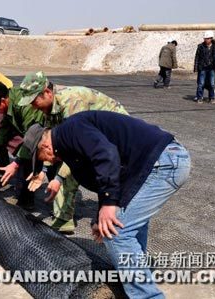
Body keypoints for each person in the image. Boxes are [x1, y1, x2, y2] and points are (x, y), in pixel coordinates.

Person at [23, 112, 190, 298]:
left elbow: (107, 155)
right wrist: (100, 216)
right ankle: (132, 274)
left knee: (117, 233)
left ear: (46, 145)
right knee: (120, 225)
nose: (48, 161)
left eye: (42, 156)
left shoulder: (71, 131)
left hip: (164, 162)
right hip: (159, 162)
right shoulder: (69, 144)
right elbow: (105, 176)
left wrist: (110, 203)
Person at [0, 71, 129, 233]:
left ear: (47, 92)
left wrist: (58, 178)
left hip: (115, 136)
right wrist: (44, 171)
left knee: (81, 170)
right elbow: (49, 142)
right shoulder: (48, 108)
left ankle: (113, 214)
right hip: (93, 138)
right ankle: (63, 219)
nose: (33, 106)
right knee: (66, 169)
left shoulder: (71, 102)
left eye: (33, 101)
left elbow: (75, 149)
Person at [0, 81, 45, 207]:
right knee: (24, 160)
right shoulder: (10, 102)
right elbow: (4, 127)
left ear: (3, 101)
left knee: (34, 163)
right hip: (34, 134)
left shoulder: (24, 105)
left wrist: (16, 163)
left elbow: (33, 137)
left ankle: (31, 202)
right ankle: (25, 199)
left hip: (47, 134)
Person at [194, 30, 215, 104]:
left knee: (212, 84)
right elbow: (197, 57)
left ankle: (211, 98)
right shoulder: (200, 46)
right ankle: (199, 97)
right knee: (201, 83)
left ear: (211, 38)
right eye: (205, 38)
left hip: (212, 68)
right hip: (202, 68)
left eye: (207, 38)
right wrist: (196, 68)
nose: (206, 40)